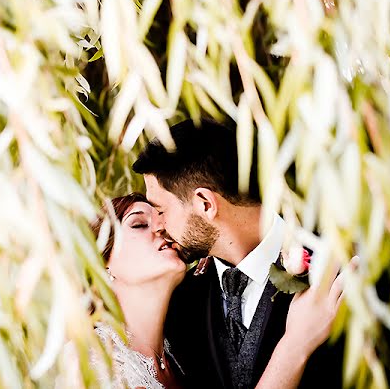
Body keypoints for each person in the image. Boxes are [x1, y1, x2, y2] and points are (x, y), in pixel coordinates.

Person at [132, 118, 347, 388]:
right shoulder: (180, 307)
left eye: (161, 210)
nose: (159, 226)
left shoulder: (335, 270)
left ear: (205, 204)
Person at [76, 192, 345, 389]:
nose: (161, 227)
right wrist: (296, 344)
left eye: (162, 217)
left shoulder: (183, 346)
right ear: (101, 265)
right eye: (138, 224)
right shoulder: (90, 363)